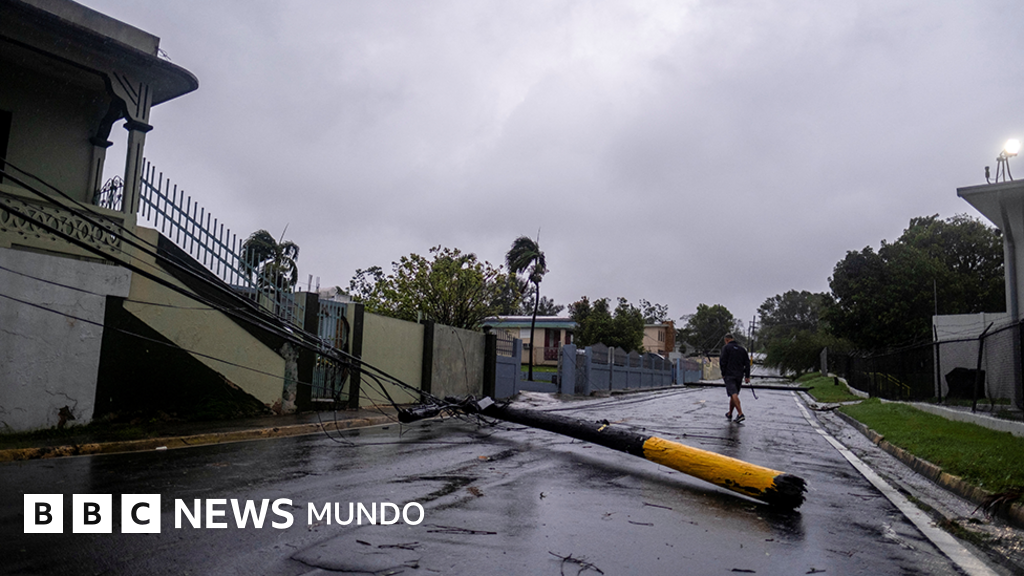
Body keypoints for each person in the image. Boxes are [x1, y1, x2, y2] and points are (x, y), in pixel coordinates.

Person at [719, 333, 750, 423]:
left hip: (729, 374)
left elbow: (723, 361)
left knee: (733, 393)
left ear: (726, 340)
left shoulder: (726, 348)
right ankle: (730, 413)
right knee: (734, 394)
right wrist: (747, 376)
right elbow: (747, 363)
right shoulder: (742, 349)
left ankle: (740, 414)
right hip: (739, 375)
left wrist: (723, 373)